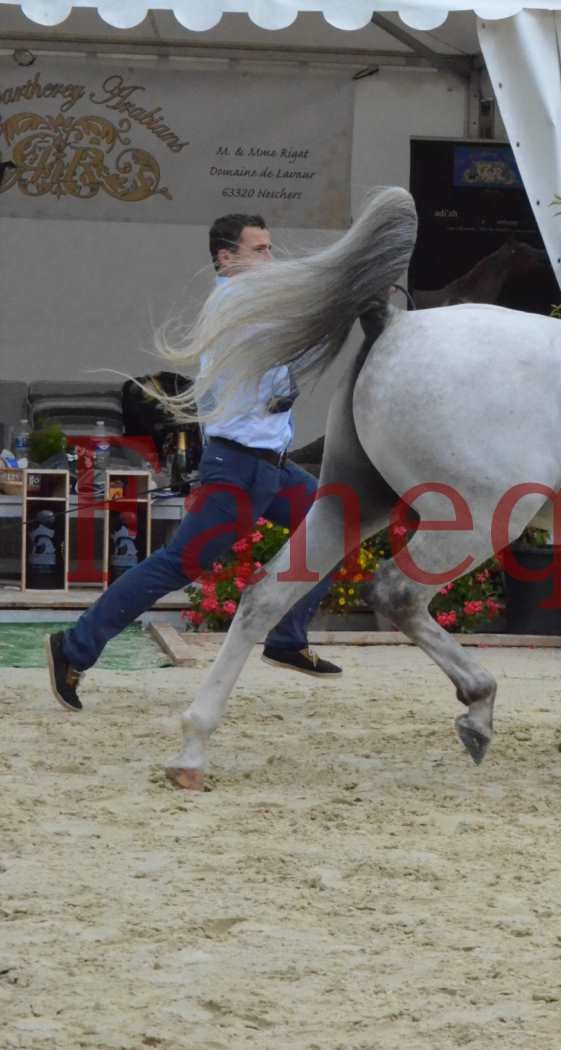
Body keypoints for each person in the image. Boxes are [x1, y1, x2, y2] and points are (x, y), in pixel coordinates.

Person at [47, 213, 342, 712]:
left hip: (268, 467)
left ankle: (288, 638)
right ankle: (73, 647)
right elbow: (298, 322)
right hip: (239, 469)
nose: (271, 258)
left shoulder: (257, 300)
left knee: (337, 520)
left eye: (270, 248)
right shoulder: (235, 300)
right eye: (261, 249)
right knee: (179, 564)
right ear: (227, 258)